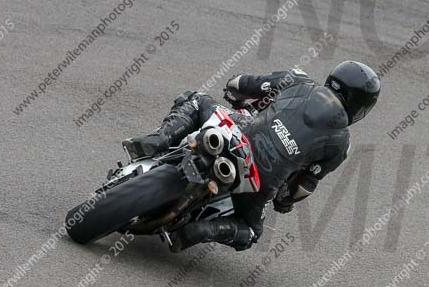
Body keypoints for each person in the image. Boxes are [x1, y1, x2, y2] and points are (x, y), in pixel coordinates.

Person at [121, 61, 381, 252]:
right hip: (262, 182)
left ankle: (156, 141)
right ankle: (200, 230)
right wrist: (283, 202)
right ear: (361, 106)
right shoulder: (341, 142)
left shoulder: (299, 80)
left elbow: (241, 84)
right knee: (252, 231)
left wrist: (235, 93)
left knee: (197, 100)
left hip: (239, 134)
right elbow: (303, 186)